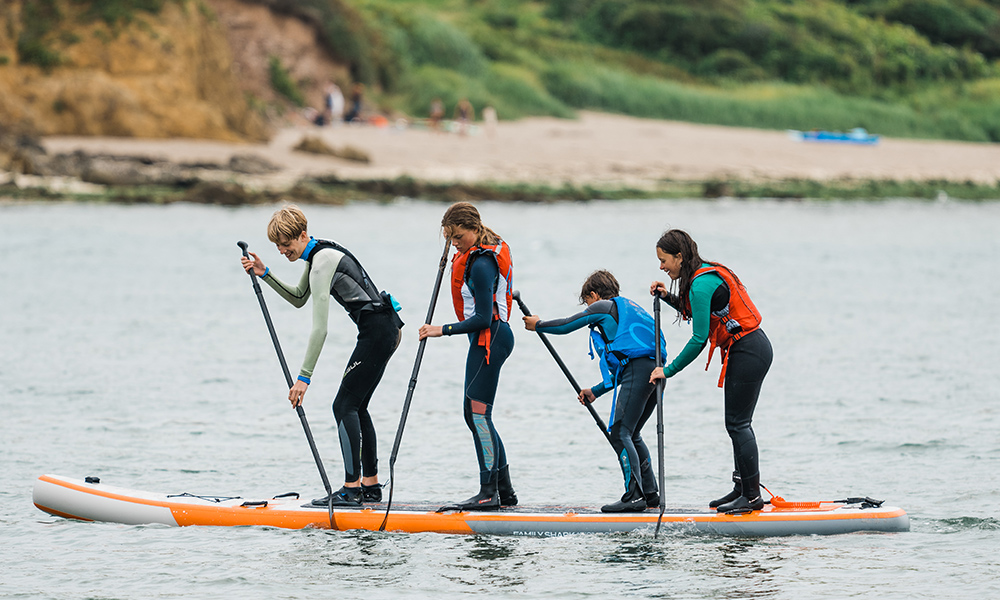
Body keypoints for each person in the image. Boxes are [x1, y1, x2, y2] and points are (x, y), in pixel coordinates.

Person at [241, 205, 404, 506]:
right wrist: (265, 274)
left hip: (379, 332)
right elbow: (299, 299)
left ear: (302, 235)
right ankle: (370, 486)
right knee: (357, 406)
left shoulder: (321, 263)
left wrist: (304, 378)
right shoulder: (317, 254)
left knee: (343, 406)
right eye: (277, 246)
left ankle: (351, 489)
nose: (281, 250)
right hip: (385, 328)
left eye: (286, 244)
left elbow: (320, 329)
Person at [648, 229, 772, 513]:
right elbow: (696, 311)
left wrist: (668, 370)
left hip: (749, 351)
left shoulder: (701, 284)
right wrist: (667, 297)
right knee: (736, 423)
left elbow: (699, 338)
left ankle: (752, 497)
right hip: (746, 350)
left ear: (680, 257)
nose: (661, 266)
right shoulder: (700, 276)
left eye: (664, 260)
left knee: (738, 424)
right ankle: (742, 488)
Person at [523, 270, 665, 513]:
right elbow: (625, 371)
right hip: (657, 372)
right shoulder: (629, 311)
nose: (588, 308)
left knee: (620, 432)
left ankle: (634, 495)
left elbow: (568, 324)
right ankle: (650, 494)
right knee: (632, 433)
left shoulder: (604, 306)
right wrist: (596, 392)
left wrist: (539, 325)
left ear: (594, 294)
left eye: (587, 301)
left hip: (641, 371)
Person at [418, 202, 516, 511]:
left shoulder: (483, 264)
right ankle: (505, 490)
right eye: (450, 238)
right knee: (476, 413)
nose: (455, 244)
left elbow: (484, 318)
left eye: (459, 237)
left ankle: (488, 492)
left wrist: (440, 330)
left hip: (491, 339)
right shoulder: (477, 255)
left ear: (475, 229)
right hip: (487, 340)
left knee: (477, 414)